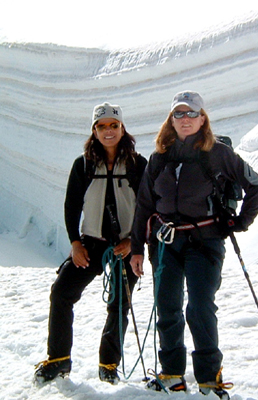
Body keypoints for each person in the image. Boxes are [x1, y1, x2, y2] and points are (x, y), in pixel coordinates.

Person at [130, 91, 258, 399]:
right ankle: (172, 374)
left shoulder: (217, 153)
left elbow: (255, 184)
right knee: (167, 306)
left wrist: (240, 221)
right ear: (171, 120)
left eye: (191, 114)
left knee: (200, 307)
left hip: (205, 241)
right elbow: (144, 205)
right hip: (166, 243)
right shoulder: (160, 157)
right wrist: (137, 247)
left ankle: (208, 378)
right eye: (179, 114)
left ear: (202, 119)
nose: (185, 119)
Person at [34, 102, 147, 384]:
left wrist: (133, 242)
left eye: (113, 125)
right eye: (102, 126)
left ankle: (108, 365)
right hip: (91, 244)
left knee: (118, 305)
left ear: (122, 128)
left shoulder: (137, 164)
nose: (108, 131)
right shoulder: (83, 164)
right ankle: (58, 360)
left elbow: (149, 207)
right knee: (62, 292)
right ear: (94, 130)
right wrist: (75, 243)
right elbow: (72, 205)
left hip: (125, 246)